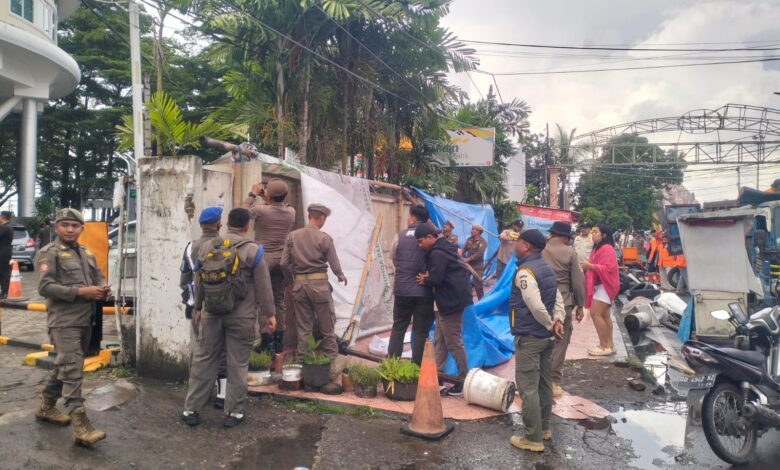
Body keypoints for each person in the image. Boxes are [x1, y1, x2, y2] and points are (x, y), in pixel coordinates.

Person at [182, 208, 276, 428]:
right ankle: (233, 413)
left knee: (204, 360)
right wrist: (269, 315)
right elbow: (264, 286)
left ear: (226, 223)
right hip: (241, 317)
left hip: (211, 314)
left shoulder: (207, 247)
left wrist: (198, 308)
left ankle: (191, 409)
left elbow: (198, 279)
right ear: (246, 226)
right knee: (237, 364)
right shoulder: (253, 251)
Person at [35, 208, 111, 446]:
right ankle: (80, 425)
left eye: (74, 225)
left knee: (66, 365)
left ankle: (47, 407)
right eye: (64, 225)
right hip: (64, 321)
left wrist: (103, 287)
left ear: (81, 228)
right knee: (72, 369)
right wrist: (81, 292)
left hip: (86, 319)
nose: (69, 229)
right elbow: (45, 287)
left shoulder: (86, 252)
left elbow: (97, 276)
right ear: (56, 227)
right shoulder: (49, 253)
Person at [509, 229, 565, 453]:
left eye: (518, 242)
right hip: (546, 338)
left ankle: (532, 438)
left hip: (531, 337)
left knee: (527, 387)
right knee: (543, 383)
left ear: (527, 246)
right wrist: (557, 320)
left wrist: (549, 323)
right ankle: (544, 429)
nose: (515, 245)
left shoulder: (525, 272)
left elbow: (534, 304)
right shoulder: (546, 268)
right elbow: (558, 298)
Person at [281, 203, 347, 379]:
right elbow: (334, 264)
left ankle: (304, 367)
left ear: (309, 215)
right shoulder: (324, 238)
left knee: (304, 328)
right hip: (319, 287)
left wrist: (291, 281)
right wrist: (340, 275)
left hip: (299, 287)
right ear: (322, 218)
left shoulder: (292, 236)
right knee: (327, 326)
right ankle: (330, 368)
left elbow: (283, 263)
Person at [414, 224, 472, 396]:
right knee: (440, 339)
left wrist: (426, 279)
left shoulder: (438, 253)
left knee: (453, 341)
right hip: (445, 301)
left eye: (420, 241)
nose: (419, 245)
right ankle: (437, 376)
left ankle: (463, 379)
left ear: (430, 237)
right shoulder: (444, 248)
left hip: (451, 302)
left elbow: (437, 278)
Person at [179, 206, 227, 409]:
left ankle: (200, 395)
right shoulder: (224, 245)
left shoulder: (190, 247)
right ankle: (223, 395)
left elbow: (184, 279)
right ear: (218, 224)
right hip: (222, 308)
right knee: (222, 351)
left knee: (202, 351)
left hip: (197, 309)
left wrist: (192, 304)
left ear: (200, 225)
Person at [245, 178, 296, 354]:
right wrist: (268, 196)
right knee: (279, 299)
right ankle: (279, 340)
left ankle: (266, 339)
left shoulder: (260, 210)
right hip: (282, 262)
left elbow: (241, 214)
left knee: (262, 301)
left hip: (264, 261)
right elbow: (275, 205)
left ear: (270, 196)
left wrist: (253, 194)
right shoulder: (291, 212)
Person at [541, 221, 585, 398]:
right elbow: (577, 281)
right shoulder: (569, 252)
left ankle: (536, 378)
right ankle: (551, 381)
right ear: (566, 237)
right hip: (564, 301)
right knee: (560, 340)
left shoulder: (540, 249)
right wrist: (580, 305)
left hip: (540, 301)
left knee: (538, 339)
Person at [388, 205, 435, 365]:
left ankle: (392, 366)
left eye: (409, 216)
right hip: (424, 291)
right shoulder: (431, 237)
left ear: (413, 218)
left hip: (402, 290)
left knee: (399, 327)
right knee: (420, 331)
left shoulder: (399, 236)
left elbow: (394, 258)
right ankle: (416, 369)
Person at [581, 224, 620, 357]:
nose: (593, 234)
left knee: (595, 313)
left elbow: (609, 268)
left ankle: (603, 346)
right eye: (592, 232)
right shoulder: (599, 248)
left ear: (604, 235)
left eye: (596, 232)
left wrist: (590, 266)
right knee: (605, 316)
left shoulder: (607, 249)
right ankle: (610, 345)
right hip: (601, 285)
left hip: (605, 285)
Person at [462, 224, 488, 299]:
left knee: (478, 286)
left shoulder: (483, 242)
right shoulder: (469, 239)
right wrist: (461, 253)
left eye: (474, 229)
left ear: (478, 231)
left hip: (477, 266)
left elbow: (479, 254)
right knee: (465, 283)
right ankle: (467, 301)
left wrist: (468, 259)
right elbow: (464, 249)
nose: (472, 230)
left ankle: (481, 302)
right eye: (472, 229)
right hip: (468, 265)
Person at [0, 211, 13, 298]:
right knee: (1, 272)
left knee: (4, 272)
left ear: (3, 217)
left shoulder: (6, 227)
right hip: (3, 251)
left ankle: (5, 292)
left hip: (4, 252)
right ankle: (3, 291)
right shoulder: (4, 227)